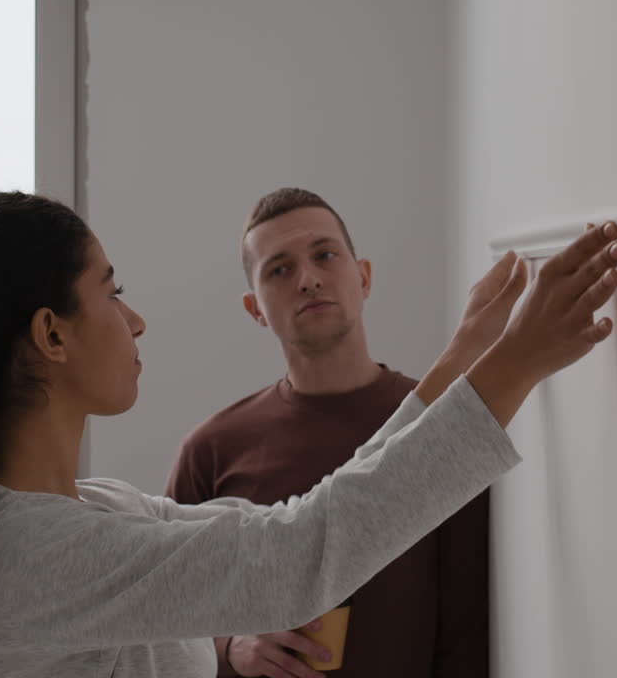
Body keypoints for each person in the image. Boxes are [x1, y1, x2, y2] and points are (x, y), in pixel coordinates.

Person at [0, 191, 617, 678]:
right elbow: (301, 556)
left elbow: (304, 519)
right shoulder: (26, 552)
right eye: (110, 290)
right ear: (50, 335)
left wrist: (467, 364)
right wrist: (517, 365)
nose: (134, 321)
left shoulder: (84, 512)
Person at [166, 188, 488, 678]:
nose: (309, 279)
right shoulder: (210, 451)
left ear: (363, 278)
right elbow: (162, 621)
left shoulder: (440, 422)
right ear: (255, 309)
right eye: (280, 269)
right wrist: (231, 647)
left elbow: (471, 624)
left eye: (324, 255)